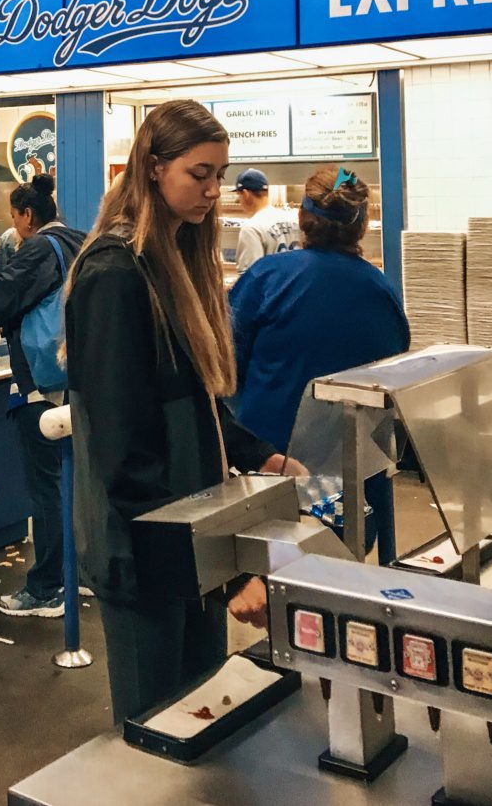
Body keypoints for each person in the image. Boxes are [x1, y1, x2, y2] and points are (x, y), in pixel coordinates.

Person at [63, 99, 296, 723]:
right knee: (157, 738)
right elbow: (125, 456)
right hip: (147, 558)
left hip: (191, 542)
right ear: (152, 167)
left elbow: (193, 400)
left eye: (220, 174)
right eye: (200, 174)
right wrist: (218, 574)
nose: (214, 190)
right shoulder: (115, 275)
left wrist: (258, 453)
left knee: (200, 723)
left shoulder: (171, 263)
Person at [227, 166, 410, 628]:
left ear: (304, 222)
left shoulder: (270, 277)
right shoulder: (380, 289)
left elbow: (225, 365)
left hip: (273, 468)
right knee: (341, 592)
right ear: (361, 225)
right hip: (353, 470)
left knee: (279, 594)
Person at [0, 174, 85, 617]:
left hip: (43, 390)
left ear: (27, 216)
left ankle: (47, 587)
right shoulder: (79, 240)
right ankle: (80, 574)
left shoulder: (38, 248)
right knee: (74, 483)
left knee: (47, 488)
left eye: (13, 215)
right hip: (78, 381)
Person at [233, 166, 300, 271]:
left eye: (239, 195)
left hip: (273, 286)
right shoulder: (295, 218)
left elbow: (251, 276)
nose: (239, 201)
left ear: (246, 194)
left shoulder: (252, 228)